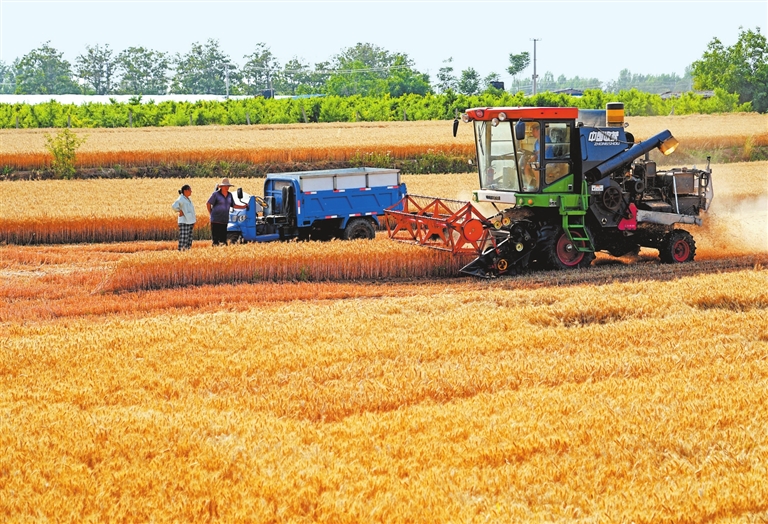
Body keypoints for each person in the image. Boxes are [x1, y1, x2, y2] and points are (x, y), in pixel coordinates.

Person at [206, 178, 247, 246]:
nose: (227, 187)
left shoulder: (230, 195)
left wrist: (243, 206)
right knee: (216, 240)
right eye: (225, 186)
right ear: (221, 187)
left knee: (223, 240)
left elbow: (234, 205)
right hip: (216, 220)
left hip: (224, 220)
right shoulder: (216, 194)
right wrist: (211, 213)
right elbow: (208, 203)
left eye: (228, 186)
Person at [171, 184, 196, 251]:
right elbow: (174, 206)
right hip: (184, 221)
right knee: (184, 238)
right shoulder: (181, 199)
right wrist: (179, 210)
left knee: (189, 238)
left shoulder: (187, 199)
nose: (191, 191)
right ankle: (181, 251)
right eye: (190, 190)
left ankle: (187, 251)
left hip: (189, 221)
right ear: (185, 191)